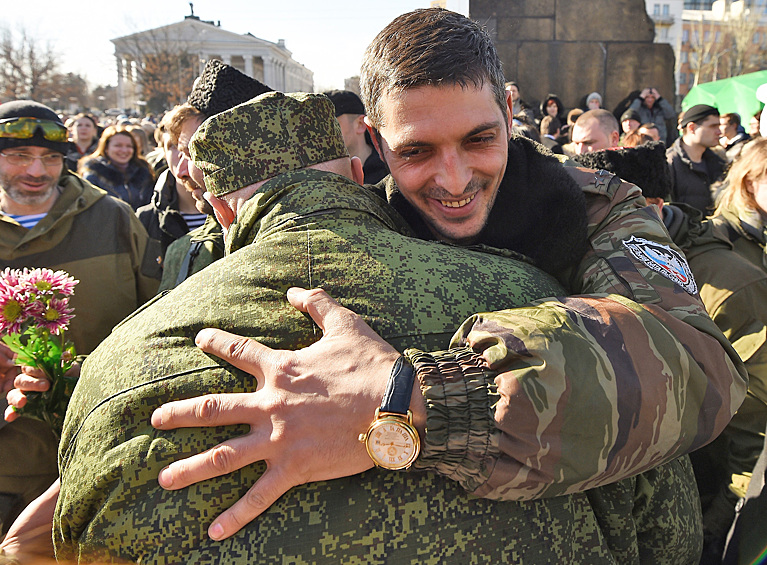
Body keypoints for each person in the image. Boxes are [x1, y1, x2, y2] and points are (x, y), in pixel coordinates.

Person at [139, 6, 745, 555]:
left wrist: (415, 398)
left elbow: (700, 366)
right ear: (375, 141)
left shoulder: (597, 208)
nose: (453, 180)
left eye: (479, 139)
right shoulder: (357, 226)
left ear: (510, 112)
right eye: (417, 152)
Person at [46, 92, 639, 564]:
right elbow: (655, 511)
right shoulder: (529, 293)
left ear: (220, 210)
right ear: (358, 173)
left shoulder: (124, 356)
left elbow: (79, 535)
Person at [0, 100, 160, 535]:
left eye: (50, 157)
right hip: (8, 469)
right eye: (18, 156)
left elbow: (158, 324)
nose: (37, 171)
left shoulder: (112, 219)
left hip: (103, 458)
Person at [156, 59, 272, 290]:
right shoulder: (182, 251)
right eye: (180, 153)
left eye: (199, 155)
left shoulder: (303, 247)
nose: (181, 172)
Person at [136, 107, 208, 263]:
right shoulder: (146, 219)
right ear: (163, 152)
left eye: (191, 145)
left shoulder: (230, 209)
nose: (184, 155)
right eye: (173, 146)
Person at [667, 104, 726, 215]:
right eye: (713, 126)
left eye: (719, 126)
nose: (719, 132)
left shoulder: (718, 162)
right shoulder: (669, 163)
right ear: (692, 128)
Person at [78, 125, 154, 210]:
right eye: (118, 145)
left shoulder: (144, 172)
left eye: (129, 146)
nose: (124, 150)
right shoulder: (94, 175)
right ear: (106, 148)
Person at [322, 89, 389, 184]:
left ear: (360, 124)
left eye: (330, 123)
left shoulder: (390, 173)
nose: (322, 131)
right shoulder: (320, 177)